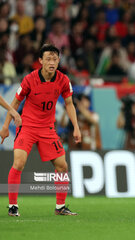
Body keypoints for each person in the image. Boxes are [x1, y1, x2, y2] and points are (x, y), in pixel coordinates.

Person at [0, 44, 81, 217]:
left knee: (62, 166)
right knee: (19, 163)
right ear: (40, 61)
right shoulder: (29, 79)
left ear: (59, 61)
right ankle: (13, 206)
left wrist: (76, 126)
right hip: (27, 126)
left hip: (48, 128)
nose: (51, 62)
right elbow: (14, 104)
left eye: (54, 59)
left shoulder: (63, 80)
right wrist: (6, 126)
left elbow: (69, 104)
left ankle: (60, 207)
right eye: (48, 59)